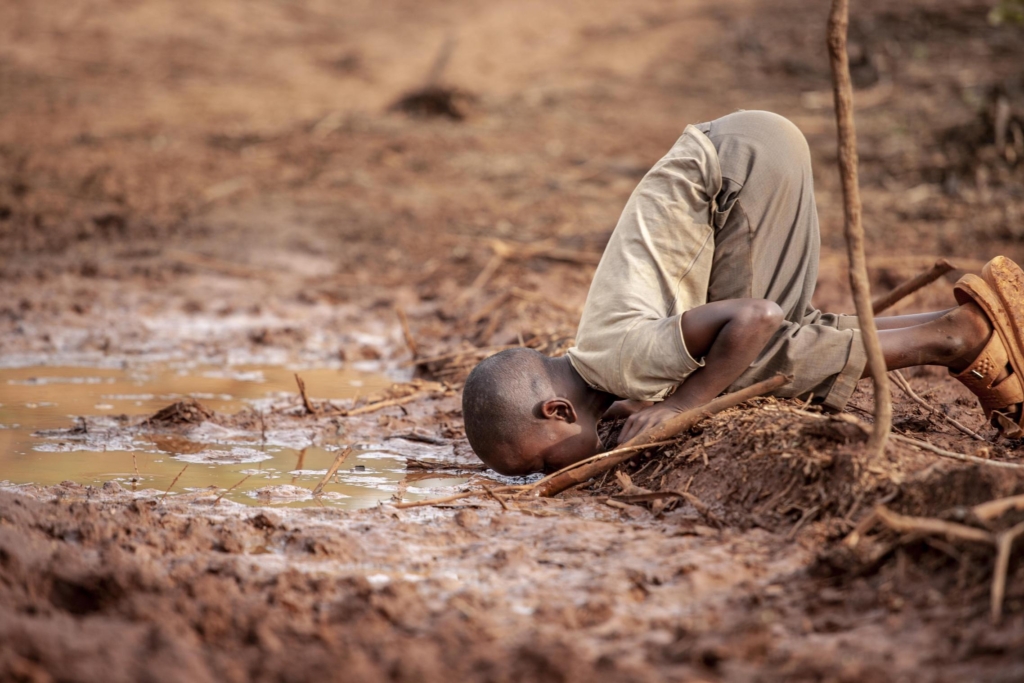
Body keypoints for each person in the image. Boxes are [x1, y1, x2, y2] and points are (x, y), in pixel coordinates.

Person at [461, 110, 1024, 476]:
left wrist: (682, 405)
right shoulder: (605, 359)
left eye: (538, 464)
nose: (547, 475)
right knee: (767, 345)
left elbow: (756, 316)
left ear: (557, 411)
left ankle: (960, 338)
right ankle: (972, 319)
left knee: (754, 360)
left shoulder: (621, 362)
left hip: (738, 172)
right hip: (745, 150)